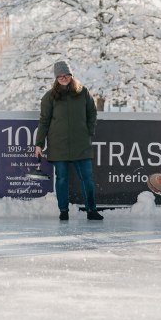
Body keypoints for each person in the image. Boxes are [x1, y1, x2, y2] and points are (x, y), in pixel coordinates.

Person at [35, 60, 103, 221]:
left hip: (81, 144)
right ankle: (63, 211)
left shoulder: (83, 92)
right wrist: (39, 144)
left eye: (66, 74)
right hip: (58, 144)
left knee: (87, 179)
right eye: (59, 76)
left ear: (71, 75)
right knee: (62, 179)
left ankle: (91, 210)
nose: (63, 78)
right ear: (56, 78)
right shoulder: (50, 96)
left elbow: (92, 112)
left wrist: (88, 131)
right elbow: (44, 121)